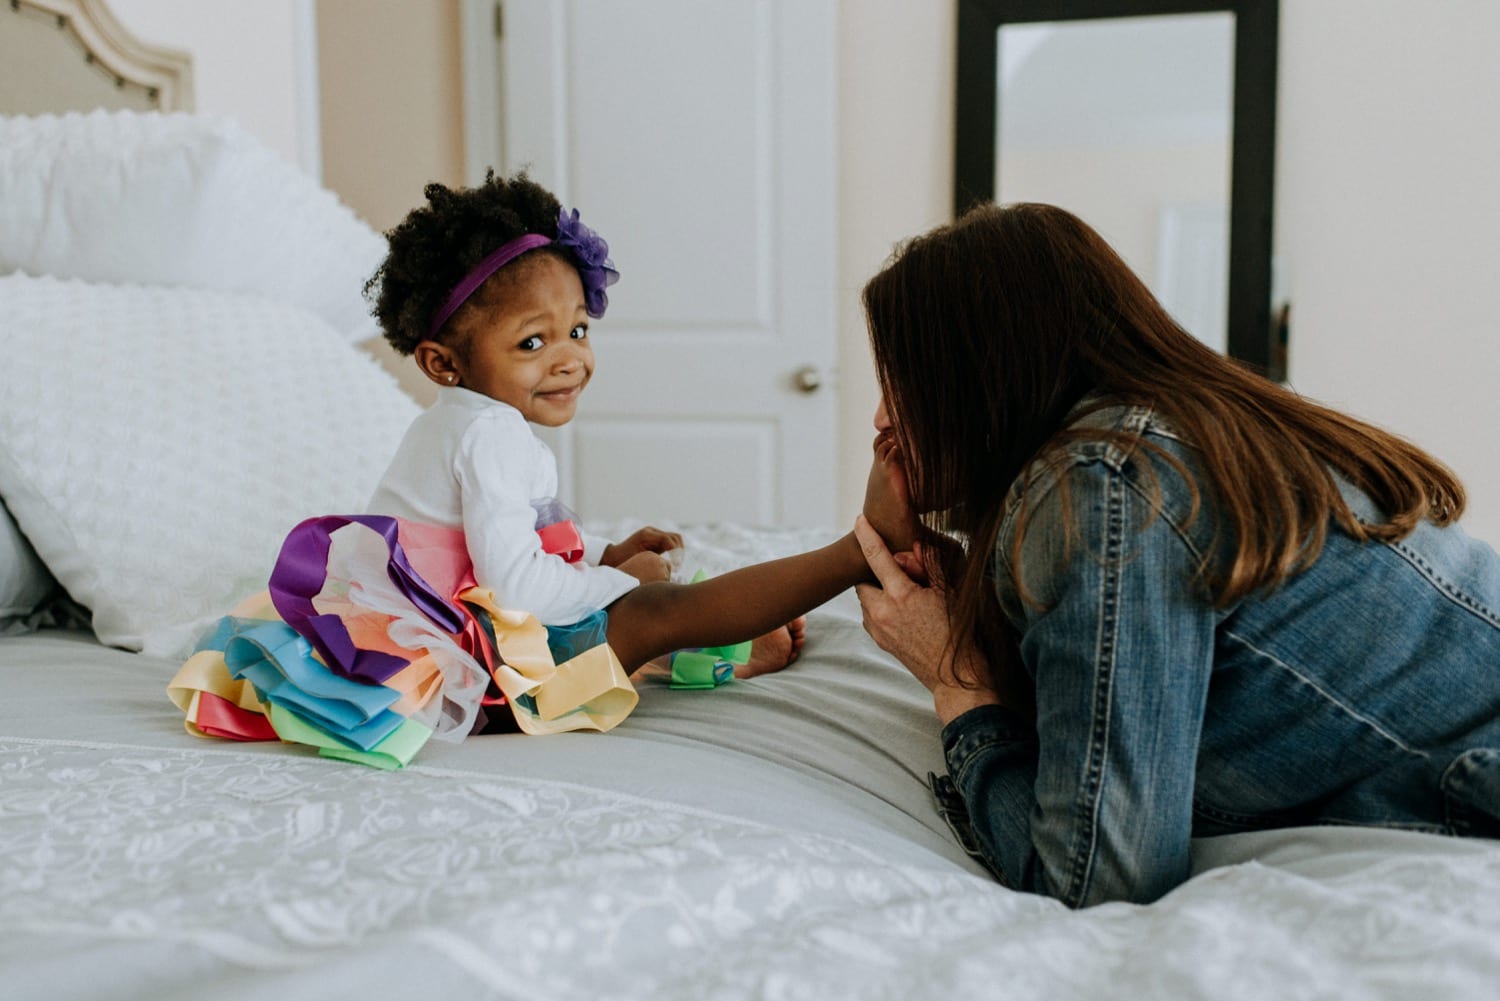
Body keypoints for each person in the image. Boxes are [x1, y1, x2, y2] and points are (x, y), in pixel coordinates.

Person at [851, 201, 1500, 909]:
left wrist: (960, 687)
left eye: (904, 379)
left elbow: (1095, 879)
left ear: (982, 374)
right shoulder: (1180, 433)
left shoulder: (1101, 486)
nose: (882, 415)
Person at [364, 171, 870, 695]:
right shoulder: (490, 434)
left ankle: (695, 641)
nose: (570, 361)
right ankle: (744, 634)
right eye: (533, 343)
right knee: (647, 609)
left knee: (602, 609)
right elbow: (516, 589)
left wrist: (603, 553)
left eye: (577, 331)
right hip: (446, 656)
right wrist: (625, 580)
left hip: (416, 631)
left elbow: (516, 540)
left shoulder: (454, 424)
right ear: (444, 363)